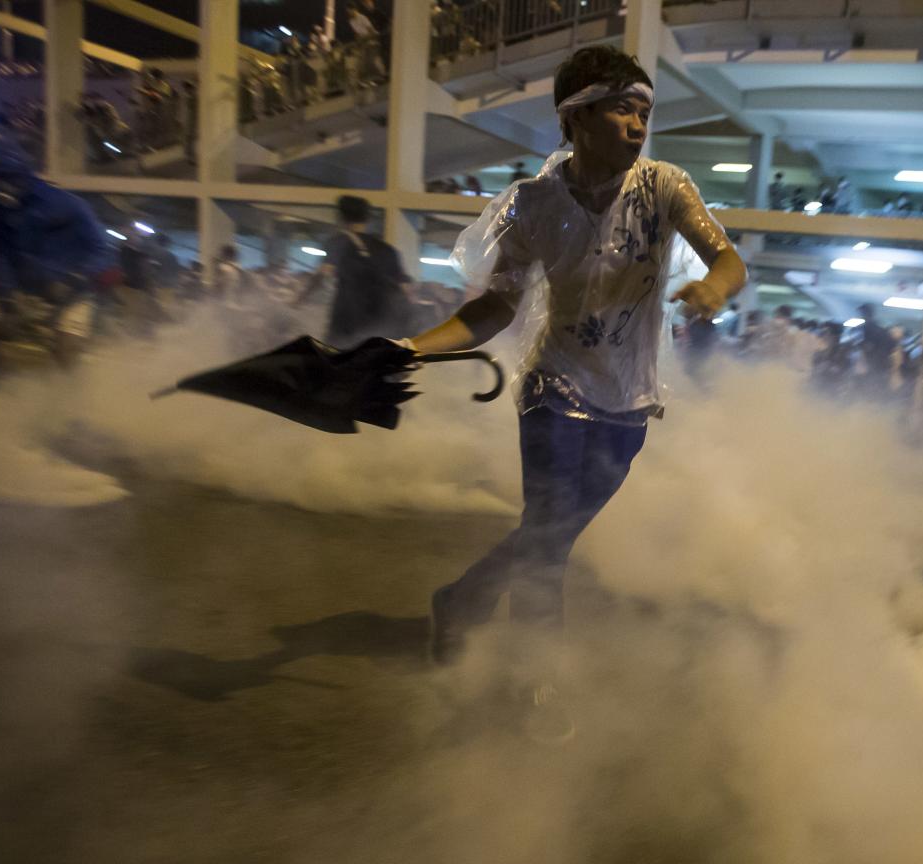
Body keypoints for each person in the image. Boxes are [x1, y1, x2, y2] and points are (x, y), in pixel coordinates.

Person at [408, 45, 747, 659]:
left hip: (630, 399)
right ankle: (534, 678)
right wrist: (414, 347)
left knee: (551, 532)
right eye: (622, 110)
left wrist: (713, 289)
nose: (639, 126)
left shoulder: (666, 186)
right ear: (576, 118)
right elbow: (495, 306)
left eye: (644, 112)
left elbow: (727, 258)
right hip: (553, 386)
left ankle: (462, 599)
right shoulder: (533, 206)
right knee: (549, 537)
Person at [0, 131, 112, 367]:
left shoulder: (67, 205)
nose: (0, 185)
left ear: (23, 175)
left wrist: (74, 279)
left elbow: (101, 250)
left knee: (68, 349)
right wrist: (6, 295)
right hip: (24, 292)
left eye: (7, 177)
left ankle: (71, 398)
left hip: (71, 292)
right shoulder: (0, 211)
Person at [296, 194, 414, 342]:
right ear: (368, 218)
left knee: (336, 358)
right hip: (384, 320)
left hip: (348, 318)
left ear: (339, 217)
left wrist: (300, 299)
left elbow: (324, 273)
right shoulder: (387, 250)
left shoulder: (339, 242)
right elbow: (405, 289)